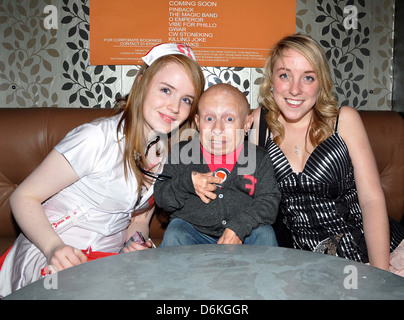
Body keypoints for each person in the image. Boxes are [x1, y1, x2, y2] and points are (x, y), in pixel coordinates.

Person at [0, 43, 205, 297]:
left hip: (106, 263)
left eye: (186, 99)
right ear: (141, 82)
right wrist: (54, 248)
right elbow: (24, 197)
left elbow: (139, 220)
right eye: (166, 90)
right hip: (51, 251)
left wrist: (136, 244)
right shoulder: (95, 138)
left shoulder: (167, 156)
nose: (175, 107)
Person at [251, 33, 404, 272]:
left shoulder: (344, 120)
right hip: (312, 266)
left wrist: (380, 272)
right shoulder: (259, 125)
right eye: (284, 75)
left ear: (321, 82)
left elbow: (372, 201)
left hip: (380, 253)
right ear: (271, 79)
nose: (295, 89)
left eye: (308, 78)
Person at [154, 83, 280, 246]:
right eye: (209, 118)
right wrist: (187, 182)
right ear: (198, 122)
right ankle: (174, 272)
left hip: (244, 233)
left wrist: (239, 227)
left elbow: (270, 201)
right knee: (175, 231)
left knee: (265, 233)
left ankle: (268, 273)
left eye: (229, 119)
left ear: (247, 124)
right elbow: (162, 197)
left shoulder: (258, 158)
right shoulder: (182, 153)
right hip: (193, 232)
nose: (217, 128)